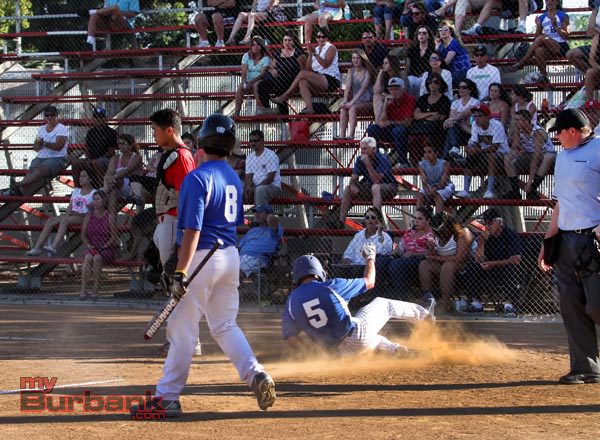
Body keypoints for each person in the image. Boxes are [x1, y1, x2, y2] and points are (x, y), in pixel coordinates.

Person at [130, 114, 276, 418]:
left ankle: (167, 397)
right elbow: (232, 223)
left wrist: (181, 271)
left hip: (201, 256)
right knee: (224, 325)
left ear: (204, 142)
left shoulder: (197, 177)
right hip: (229, 256)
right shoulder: (233, 177)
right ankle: (255, 373)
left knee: (181, 329)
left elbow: (193, 229)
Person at [537, 108, 600, 385]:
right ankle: (585, 367)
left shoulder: (599, 148)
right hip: (566, 240)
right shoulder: (562, 158)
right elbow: (561, 203)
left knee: (598, 306)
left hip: (594, 238)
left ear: (573, 131)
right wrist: (548, 240)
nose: (557, 138)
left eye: (559, 132)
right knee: (571, 304)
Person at [282, 251, 434, 358]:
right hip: (356, 333)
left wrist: (314, 355)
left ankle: (399, 351)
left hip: (339, 353)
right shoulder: (330, 286)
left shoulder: (291, 301)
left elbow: (292, 339)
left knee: (374, 341)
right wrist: (370, 258)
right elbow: (370, 281)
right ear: (318, 271)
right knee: (383, 304)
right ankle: (425, 314)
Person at [149, 110, 198, 357]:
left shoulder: (180, 156)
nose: (154, 135)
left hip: (174, 221)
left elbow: (187, 195)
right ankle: (182, 339)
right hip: (165, 221)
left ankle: (183, 340)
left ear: (170, 130)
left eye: (156, 130)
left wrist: (181, 237)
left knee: (176, 284)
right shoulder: (170, 156)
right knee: (173, 284)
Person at [463, 208, 523, 314]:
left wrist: (494, 263)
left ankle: (508, 304)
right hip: (491, 270)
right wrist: (481, 242)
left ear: (499, 222)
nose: (487, 226)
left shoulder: (510, 235)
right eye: (485, 223)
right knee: (473, 267)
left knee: (511, 269)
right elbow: (479, 259)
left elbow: (516, 260)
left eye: (490, 223)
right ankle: (476, 303)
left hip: (505, 269)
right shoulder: (486, 236)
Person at [26, 170, 96, 256]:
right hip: (72, 215)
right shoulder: (76, 191)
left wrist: (73, 214)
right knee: (50, 220)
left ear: (90, 179)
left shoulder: (94, 193)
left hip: (83, 217)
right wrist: (67, 213)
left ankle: (54, 246)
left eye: (84, 176)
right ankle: (37, 247)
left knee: (65, 220)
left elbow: (92, 211)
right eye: (80, 176)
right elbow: (70, 206)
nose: (80, 179)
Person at [2, 106, 69, 196]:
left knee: (40, 169)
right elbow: (36, 147)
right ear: (44, 116)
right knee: (32, 170)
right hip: (41, 157)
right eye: (47, 115)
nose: (49, 117)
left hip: (57, 158)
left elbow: (58, 147)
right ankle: (17, 190)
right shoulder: (41, 129)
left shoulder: (61, 128)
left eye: (52, 115)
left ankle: (19, 184)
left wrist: (44, 143)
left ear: (56, 116)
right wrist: (40, 144)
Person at [273, 29, 340, 115]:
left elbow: (325, 64)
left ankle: (285, 96)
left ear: (328, 38)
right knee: (302, 82)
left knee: (302, 73)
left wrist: (315, 54)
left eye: (323, 37)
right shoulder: (315, 49)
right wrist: (310, 54)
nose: (321, 39)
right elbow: (308, 68)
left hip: (330, 79)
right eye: (319, 37)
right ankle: (310, 108)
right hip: (318, 78)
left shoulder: (331, 48)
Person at [375, 207, 435, 300]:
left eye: (420, 219)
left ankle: (402, 298)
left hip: (419, 260)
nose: (416, 221)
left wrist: (413, 254)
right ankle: (377, 297)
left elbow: (432, 253)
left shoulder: (431, 234)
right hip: (403, 258)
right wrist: (392, 255)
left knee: (396, 264)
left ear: (428, 221)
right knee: (380, 261)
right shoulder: (410, 232)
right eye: (415, 218)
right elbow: (400, 247)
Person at [419, 212, 474, 311]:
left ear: (448, 225)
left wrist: (437, 259)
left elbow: (460, 258)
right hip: (443, 265)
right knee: (424, 265)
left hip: (464, 266)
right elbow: (432, 256)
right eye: (437, 231)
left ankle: (445, 301)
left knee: (448, 266)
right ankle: (428, 299)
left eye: (442, 230)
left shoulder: (461, 231)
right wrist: (431, 249)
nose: (440, 234)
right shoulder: (435, 233)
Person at [339, 137, 398, 227]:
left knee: (375, 187)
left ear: (373, 149)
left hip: (389, 186)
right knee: (348, 188)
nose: (362, 151)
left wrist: (368, 164)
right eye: (361, 148)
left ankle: (375, 219)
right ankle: (340, 222)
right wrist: (353, 184)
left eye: (365, 149)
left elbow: (376, 180)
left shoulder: (383, 158)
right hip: (371, 187)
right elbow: (354, 178)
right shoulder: (360, 159)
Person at [509, 0, 570, 83]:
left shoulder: (563, 15)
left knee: (542, 38)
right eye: (547, 0)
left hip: (561, 46)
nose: (549, 2)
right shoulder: (542, 17)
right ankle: (544, 76)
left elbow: (566, 36)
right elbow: (536, 38)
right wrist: (538, 26)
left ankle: (522, 62)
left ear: (557, 2)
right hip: (548, 47)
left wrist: (556, 27)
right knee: (538, 51)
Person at [457, 103, 509, 199]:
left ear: (488, 116)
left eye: (480, 116)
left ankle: (489, 191)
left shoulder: (497, 125)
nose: (477, 119)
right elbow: (474, 142)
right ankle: (465, 190)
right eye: (475, 116)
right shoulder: (475, 125)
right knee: (470, 155)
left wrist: (476, 151)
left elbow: (495, 147)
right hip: (483, 153)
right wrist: (469, 148)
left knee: (491, 156)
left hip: (501, 155)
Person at [504, 109, 556, 199]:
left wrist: (529, 181)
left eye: (518, 120)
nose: (515, 122)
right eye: (514, 120)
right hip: (529, 154)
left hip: (544, 155)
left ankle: (532, 188)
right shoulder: (518, 130)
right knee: (507, 158)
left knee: (548, 157)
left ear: (526, 121)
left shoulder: (537, 132)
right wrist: (515, 133)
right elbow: (515, 148)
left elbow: (536, 156)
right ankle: (515, 192)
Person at [367, 77, 416, 168]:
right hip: (390, 129)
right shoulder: (388, 100)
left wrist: (391, 122)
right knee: (372, 128)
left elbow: (407, 122)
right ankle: (374, 159)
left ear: (403, 89)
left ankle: (403, 162)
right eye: (391, 89)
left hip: (405, 131)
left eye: (397, 89)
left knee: (398, 130)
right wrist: (385, 105)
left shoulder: (409, 99)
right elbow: (381, 122)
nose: (394, 91)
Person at [255, 31, 307, 115]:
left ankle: (283, 113)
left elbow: (303, 70)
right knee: (261, 84)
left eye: (290, 40)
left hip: (292, 79)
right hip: (278, 77)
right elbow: (271, 67)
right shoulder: (278, 53)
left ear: (294, 41)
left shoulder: (299, 53)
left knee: (280, 83)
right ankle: (267, 109)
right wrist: (273, 71)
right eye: (285, 40)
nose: (287, 42)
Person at [80, 190, 118, 299]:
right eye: (94, 199)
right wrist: (88, 244)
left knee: (97, 258)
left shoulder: (109, 216)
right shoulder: (89, 215)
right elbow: (83, 235)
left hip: (106, 247)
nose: (95, 202)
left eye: (98, 199)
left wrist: (106, 245)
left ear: (104, 201)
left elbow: (114, 236)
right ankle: (83, 289)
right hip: (92, 246)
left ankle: (96, 288)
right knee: (88, 257)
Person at [71, 107, 117, 188]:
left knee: (97, 162)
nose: (98, 119)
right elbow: (87, 149)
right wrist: (89, 159)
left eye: (101, 117)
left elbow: (112, 151)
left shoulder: (111, 132)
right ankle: (77, 189)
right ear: (93, 119)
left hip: (106, 160)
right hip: (92, 159)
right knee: (75, 163)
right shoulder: (90, 132)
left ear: (105, 118)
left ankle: (101, 188)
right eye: (96, 117)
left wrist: (97, 159)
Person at [336, 49, 375, 140]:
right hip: (356, 101)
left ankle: (351, 135)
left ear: (362, 59)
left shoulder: (367, 72)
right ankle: (342, 136)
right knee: (343, 109)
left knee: (352, 108)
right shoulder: (351, 71)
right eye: (353, 58)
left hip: (368, 101)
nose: (355, 60)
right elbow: (348, 87)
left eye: (358, 58)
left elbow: (363, 89)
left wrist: (351, 102)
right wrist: (345, 101)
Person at [103, 133, 144, 214]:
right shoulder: (115, 158)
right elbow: (109, 173)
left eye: (123, 143)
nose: (120, 146)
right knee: (112, 191)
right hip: (116, 186)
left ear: (130, 145)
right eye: (119, 143)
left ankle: (103, 193)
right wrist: (111, 178)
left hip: (132, 187)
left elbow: (128, 171)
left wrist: (114, 177)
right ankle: (110, 220)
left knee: (118, 179)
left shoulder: (137, 157)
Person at [239, 204, 283, 277]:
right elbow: (239, 247)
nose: (256, 215)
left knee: (233, 273)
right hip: (241, 257)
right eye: (256, 212)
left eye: (260, 212)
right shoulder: (252, 230)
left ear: (268, 214)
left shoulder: (274, 228)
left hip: (258, 258)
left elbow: (272, 219)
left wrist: (268, 216)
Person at [411, 72, 451, 152]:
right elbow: (416, 115)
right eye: (430, 82)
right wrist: (431, 114)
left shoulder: (445, 99)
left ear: (440, 85)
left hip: (437, 128)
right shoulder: (422, 98)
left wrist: (423, 115)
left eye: (435, 82)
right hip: (420, 127)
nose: (432, 84)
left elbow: (440, 117)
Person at [442, 78, 480, 159]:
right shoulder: (455, 103)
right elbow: (451, 119)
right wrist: (459, 118)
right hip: (458, 128)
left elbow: (469, 117)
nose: (461, 89)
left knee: (451, 132)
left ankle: (447, 157)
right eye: (459, 87)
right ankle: (455, 151)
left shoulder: (475, 102)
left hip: (470, 129)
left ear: (470, 90)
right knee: (452, 127)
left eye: (464, 87)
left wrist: (457, 118)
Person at [234, 36, 270, 117]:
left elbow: (262, 74)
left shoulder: (265, 58)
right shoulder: (246, 56)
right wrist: (244, 82)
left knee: (256, 84)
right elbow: (244, 71)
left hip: (260, 81)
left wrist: (251, 82)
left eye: (258, 45)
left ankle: (259, 108)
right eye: (253, 45)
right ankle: (237, 112)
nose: (255, 47)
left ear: (261, 46)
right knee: (240, 87)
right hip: (248, 81)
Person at [244, 129, 281, 206]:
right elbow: (248, 177)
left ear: (262, 141)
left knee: (259, 190)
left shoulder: (271, 155)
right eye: (251, 141)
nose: (253, 143)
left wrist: (254, 188)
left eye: (256, 141)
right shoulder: (249, 157)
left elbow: (270, 178)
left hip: (273, 187)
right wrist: (248, 189)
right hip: (256, 187)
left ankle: (260, 215)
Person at [417, 145, 454, 213]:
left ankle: (438, 219)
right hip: (430, 187)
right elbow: (424, 181)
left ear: (436, 153)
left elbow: (443, 182)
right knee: (420, 196)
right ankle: (419, 216)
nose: (426, 155)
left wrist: (434, 189)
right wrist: (428, 190)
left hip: (445, 187)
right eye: (425, 152)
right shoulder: (421, 164)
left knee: (438, 195)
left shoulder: (445, 163)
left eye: (429, 152)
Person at [566, 5, 598, 75]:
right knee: (570, 54)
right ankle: (592, 77)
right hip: (596, 45)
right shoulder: (597, 9)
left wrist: (596, 30)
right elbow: (590, 32)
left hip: (597, 40)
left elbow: (593, 31)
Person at [404, 25, 435, 97]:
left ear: (428, 36)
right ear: (417, 36)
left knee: (421, 80)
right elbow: (407, 68)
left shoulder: (433, 50)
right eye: (419, 33)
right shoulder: (412, 51)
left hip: (427, 76)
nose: (421, 35)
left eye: (424, 33)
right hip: (413, 76)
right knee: (410, 80)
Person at [373, 55, 403, 122]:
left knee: (380, 97)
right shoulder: (384, 75)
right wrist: (380, 73)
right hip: (387, 98)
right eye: (383, 63)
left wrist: (386, 95)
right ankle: (379, 122)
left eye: (386, 63)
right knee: (376, 96)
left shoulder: (401, 75)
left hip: (398, 98)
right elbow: (376, 90)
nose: (383, 65)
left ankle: (379, 123)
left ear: (392, 64)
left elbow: (403, 92)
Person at [584, 25, 600, 102]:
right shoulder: (597, 38)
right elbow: (591, 59)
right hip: (599, 68)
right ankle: (589, 102)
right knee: (590, 72)